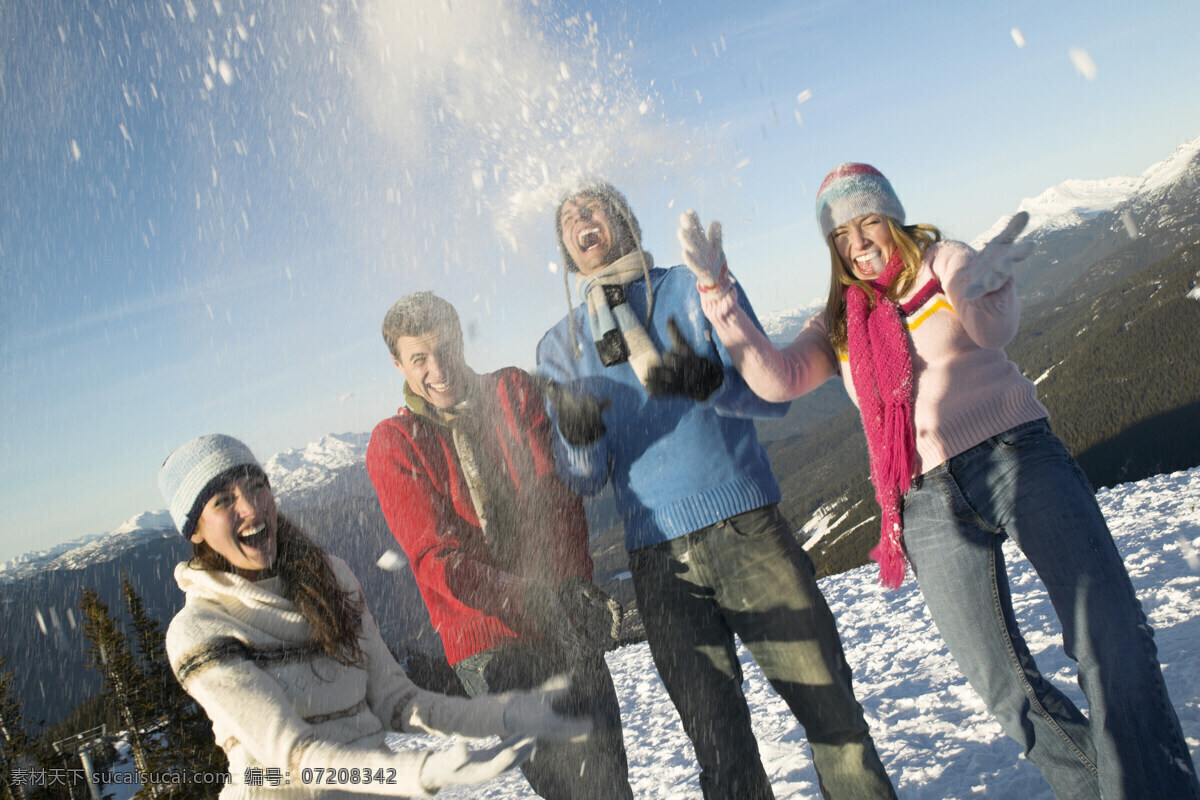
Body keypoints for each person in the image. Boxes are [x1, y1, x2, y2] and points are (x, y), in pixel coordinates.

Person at [684, 162, 1200, 800]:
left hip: (1016, 454)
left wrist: (989, 290)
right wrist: (719, 293)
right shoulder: (839, 322)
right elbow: (776, 379)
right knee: (1003, 686)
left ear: (892, 218)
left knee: (1109, 636)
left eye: (868, 220)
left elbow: (991, 328)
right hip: (924, 502)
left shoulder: (941, 261)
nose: (858, 241)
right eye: (841, 234)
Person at [535, 178, 898, 800]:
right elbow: (585, 477)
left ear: (622, 219)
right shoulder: (560, 347)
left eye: (593, 205)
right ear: (567, 248)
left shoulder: (692, 286)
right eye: (569, 216)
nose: (582, 218)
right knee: (721, 752)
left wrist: (711, 381)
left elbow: (772, 398)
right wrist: (576, 435)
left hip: (747, 529)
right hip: (660, 566)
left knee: (832, 717)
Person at [160, 433, 592, 799]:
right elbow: (295, 757)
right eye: (223, 500)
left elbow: (397, 702)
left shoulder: (328, 579)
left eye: (257, 487)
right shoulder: (200, 632)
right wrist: (418, 773)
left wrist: (502, 715)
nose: (252, 509)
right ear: (194, 529)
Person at [365, 292, 633, 800]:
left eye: (444, 348)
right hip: (493, 640)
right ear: (398, 363)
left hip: (561, 614)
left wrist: (574, 579)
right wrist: (529, 595)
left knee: (611, 778)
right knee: (580, 788)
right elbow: (437, 562)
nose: (438, 368)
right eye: (419, 358)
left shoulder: (510, 390)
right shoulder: (396, 442)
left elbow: (556, 497)